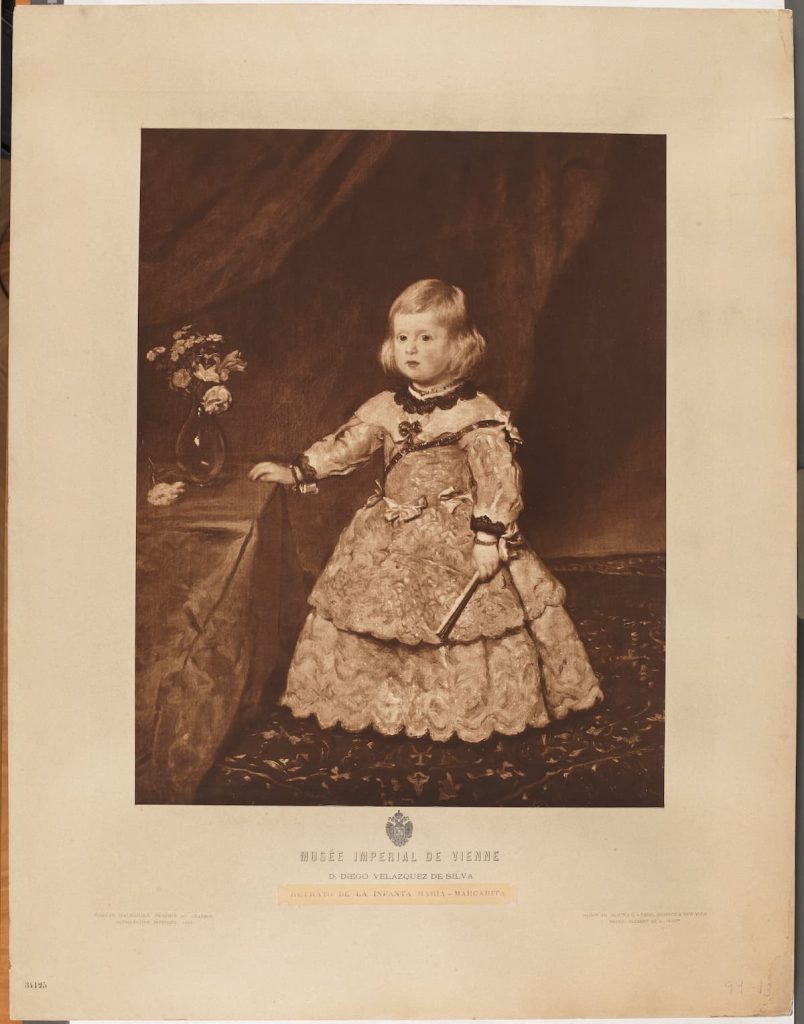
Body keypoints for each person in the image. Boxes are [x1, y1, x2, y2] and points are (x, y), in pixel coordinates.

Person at [249, 279, 602, 742]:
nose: (411, 349)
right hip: (390, 527)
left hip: (456, 534)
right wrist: (297, 471)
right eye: (403, 338)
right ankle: (383, 705)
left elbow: (497, 477)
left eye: (425, 337)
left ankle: (459, 709)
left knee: (473, 620)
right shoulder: (384, 406)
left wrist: (487, 536)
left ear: (459, 345)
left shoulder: (477, 413)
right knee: (371, 608)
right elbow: (347, 446)